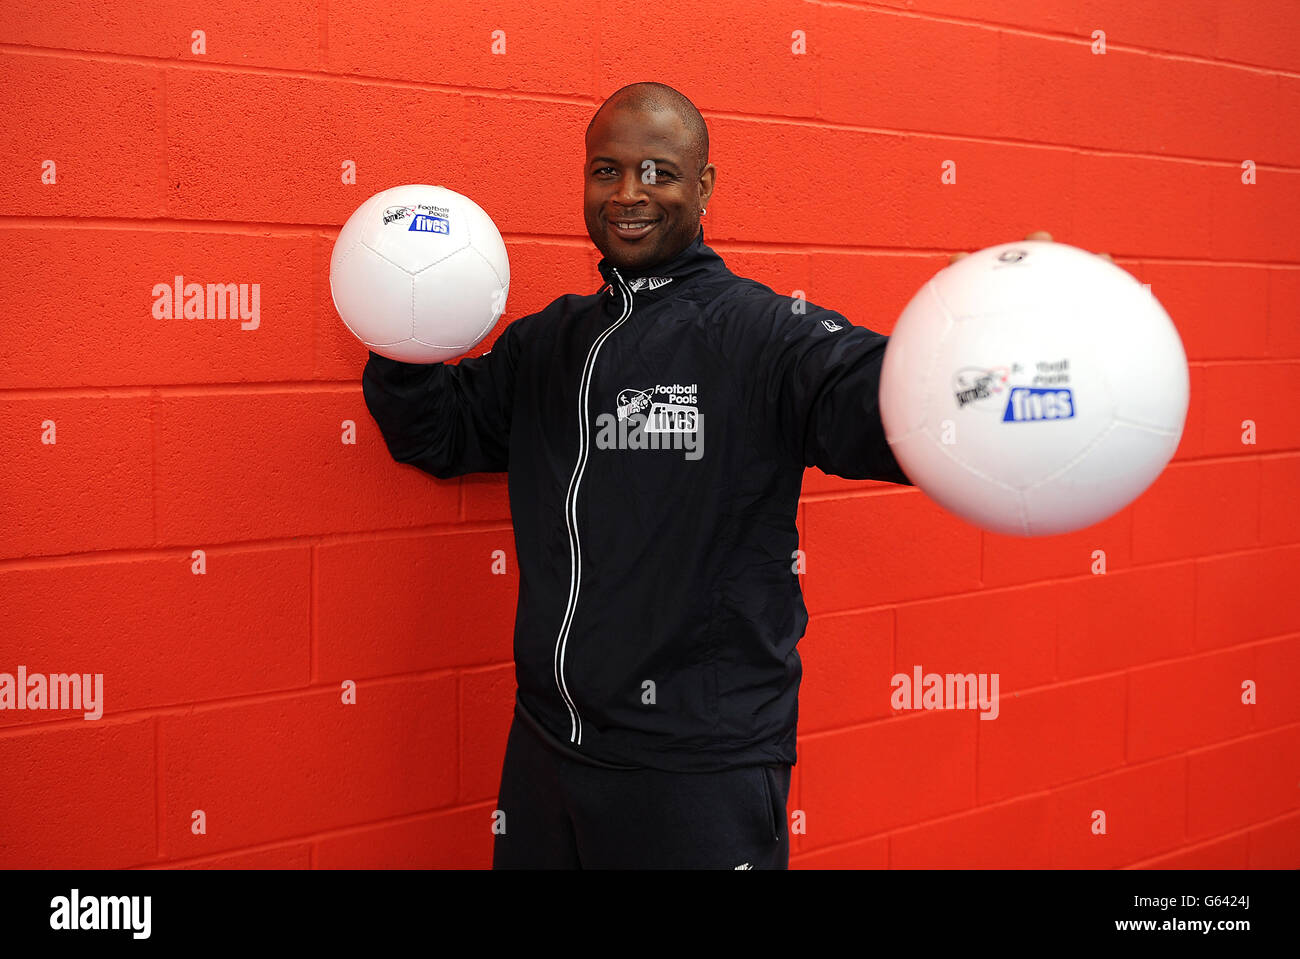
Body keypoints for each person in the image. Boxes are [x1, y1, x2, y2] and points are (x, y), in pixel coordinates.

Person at [363, 81, 915, 868]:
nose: (630, 193)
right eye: (607, 170)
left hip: (696, 769)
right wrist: (397, 325)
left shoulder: (759, 335)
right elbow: (443, 432)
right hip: (548, 747)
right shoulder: (548, 341)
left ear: (704, 186)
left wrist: (969, 366)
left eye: (658, 171)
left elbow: (872, 397)